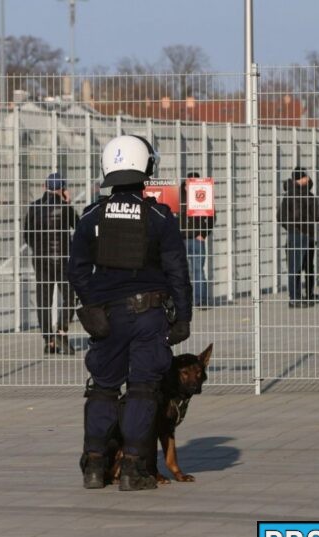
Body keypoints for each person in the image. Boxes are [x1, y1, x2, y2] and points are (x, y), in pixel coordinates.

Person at [69, 134, 192, 491]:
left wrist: (92, 304)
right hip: (148, 316)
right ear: (146, 168)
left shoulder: (91, 215)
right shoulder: (159, 216)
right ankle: (134, 470)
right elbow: (177, 272)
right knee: (142, 389)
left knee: (102, 389)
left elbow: (76, 270)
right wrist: (182, 317)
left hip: (106, 317)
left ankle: (94, 466)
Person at [23, 172, 80, 355]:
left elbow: (27, 235)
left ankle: (49, 341)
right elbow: (78, 227)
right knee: (70, 297)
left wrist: (39, 250)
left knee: (44, 301)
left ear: (44, 186)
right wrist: (68, 203)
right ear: (63, 189)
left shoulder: (34, 207)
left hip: (41, 261)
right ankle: (61, 331)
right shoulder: (65, 207)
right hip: (63, 260)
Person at [279, 168, 319, 308]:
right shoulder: (294, 196)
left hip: (305, 235)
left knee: (306, 266)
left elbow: (315, 216)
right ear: (301, 179)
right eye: (306, 176)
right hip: (299, 234)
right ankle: (295, 297)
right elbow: (282, 217)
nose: (308, 178)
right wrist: (295, 227)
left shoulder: (306, 195)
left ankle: (306, 295)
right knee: (296, 267)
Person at [179, 172, 216, 308]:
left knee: (197, 271)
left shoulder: (203, 195)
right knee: (180, 271)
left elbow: (212, 217)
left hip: (196, 239)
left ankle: (200, 301)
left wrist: (203, 234)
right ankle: (183, 301)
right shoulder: (178, 196)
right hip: (180, 239)